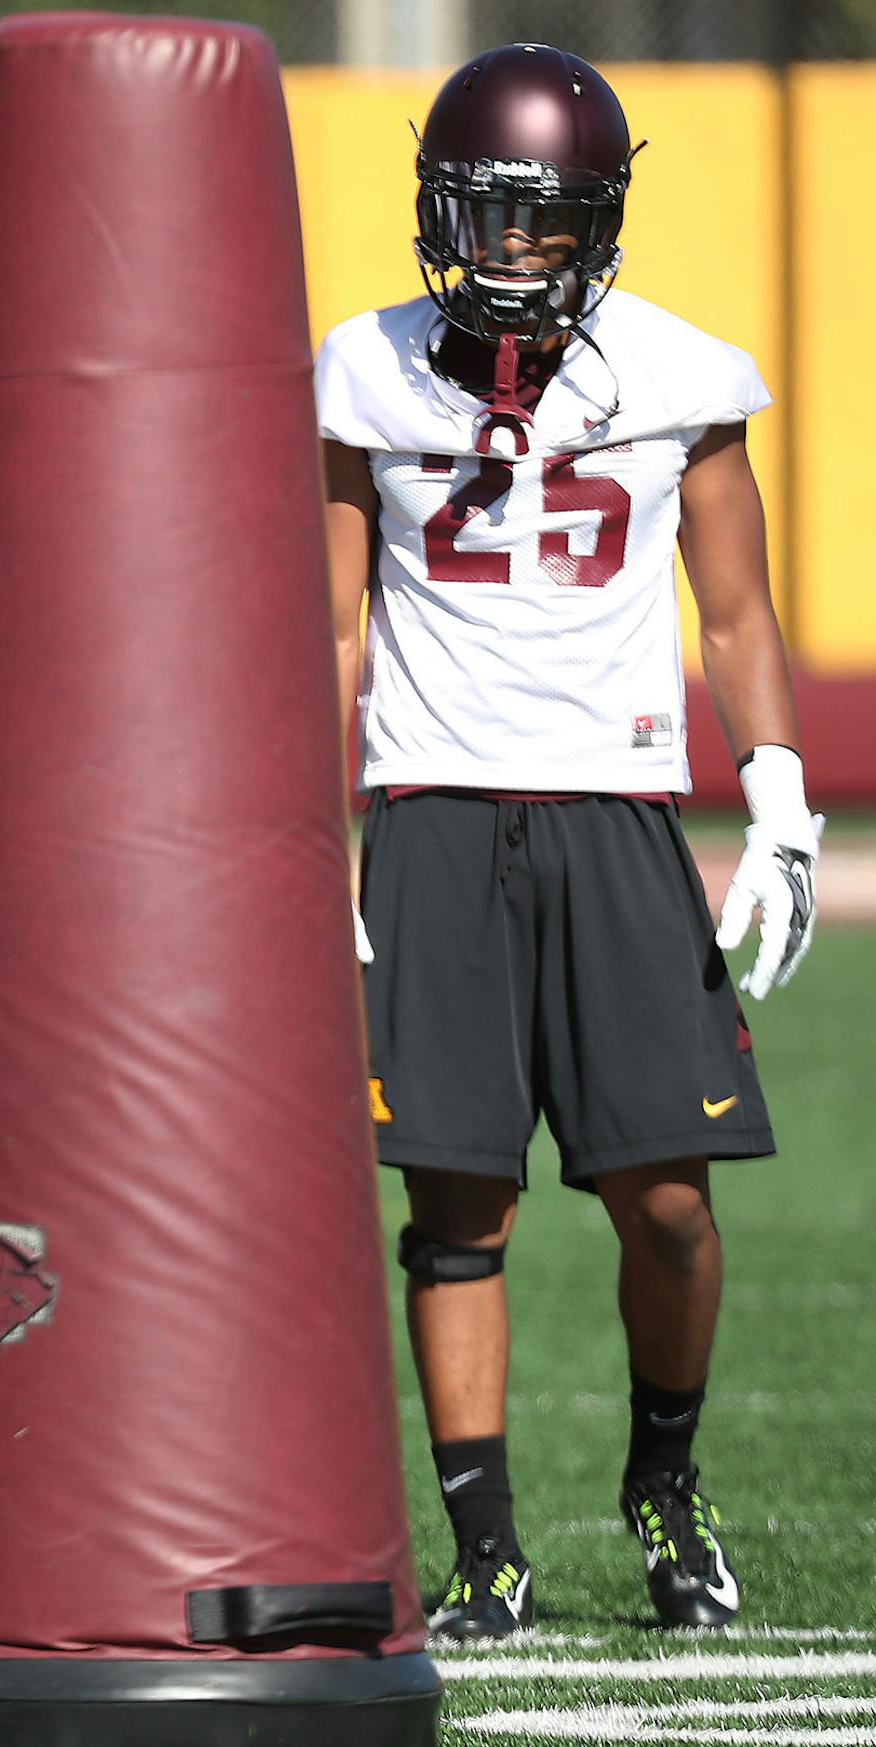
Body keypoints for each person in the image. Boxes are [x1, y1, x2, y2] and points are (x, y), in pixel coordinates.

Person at [317, 42, 821, 1641]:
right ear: (432, 209)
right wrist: (306, 836)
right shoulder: (363, 371)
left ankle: (666, 1485)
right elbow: (331, 630)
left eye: (547, 223)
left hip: (616, 806)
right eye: (487, 217)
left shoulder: (677, 372)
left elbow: (733, 610)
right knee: (459, 1203)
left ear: (602, 223)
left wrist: (786, 793)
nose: (512, 252)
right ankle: (486, 1548)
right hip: (432, 803)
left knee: (667, 1196)